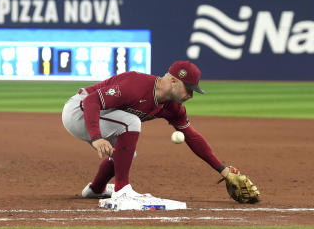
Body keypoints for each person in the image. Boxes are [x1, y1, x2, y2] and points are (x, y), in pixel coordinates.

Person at [61, 60, 238, 202]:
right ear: (173, 81)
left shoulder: (173, 108)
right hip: (79, 111)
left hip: (99, 116)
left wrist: (223, 170)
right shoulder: (136, 85)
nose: (190, 96)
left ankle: (95, 189)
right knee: (131, 122)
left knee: (127, 153)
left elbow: (192, 137)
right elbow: (91, 101)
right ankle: (122, 191)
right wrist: (96, 138)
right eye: (189, 89)